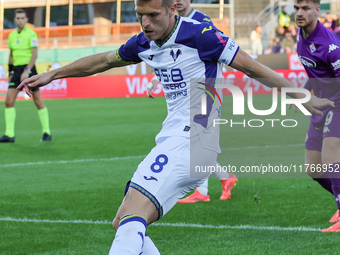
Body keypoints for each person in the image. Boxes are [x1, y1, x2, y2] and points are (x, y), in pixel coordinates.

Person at [19, 0, 333, 253]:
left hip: (193, 138)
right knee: (123, 222)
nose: (145, 23)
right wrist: (53, 74)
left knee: (131, 217)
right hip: (177, 138)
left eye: (153, 14)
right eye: (140, 14)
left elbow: (254, 68)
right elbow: (103, 61)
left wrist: (303, 97)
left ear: (174, 8)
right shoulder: (143, 42)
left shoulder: (202, 36)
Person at [147, 0, 238, 204]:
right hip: (185, 95)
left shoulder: (201, 21)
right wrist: (156, 78)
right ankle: (222, 179)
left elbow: (219, 52)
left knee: (197, 142)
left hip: (205, 92)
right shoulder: (171, 23)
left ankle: (206, 190)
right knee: (196, 142)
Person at [294, 0, 340, 232]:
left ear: (317, 10)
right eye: (296, 8)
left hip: (337, 103)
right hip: (319, 104)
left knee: (331, 160)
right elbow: (315, 71)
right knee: (313, 169)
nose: (299, 13)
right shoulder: (301, 36)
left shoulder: (330, 44)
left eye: (305, 8)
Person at [0, 9, 51, 143]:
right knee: (8, 101)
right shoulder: (11, 36)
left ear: (26, 19)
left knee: (37, 101)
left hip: (29, 70)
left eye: (23, 18)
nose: (20, 20)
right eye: (18, 18)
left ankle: (47, 132)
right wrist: (10, 72)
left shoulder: (31, 34)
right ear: (15, 20)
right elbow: (11, 55)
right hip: (16, 71)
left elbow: (34, 55)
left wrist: (27, 71)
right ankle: (9, 134)